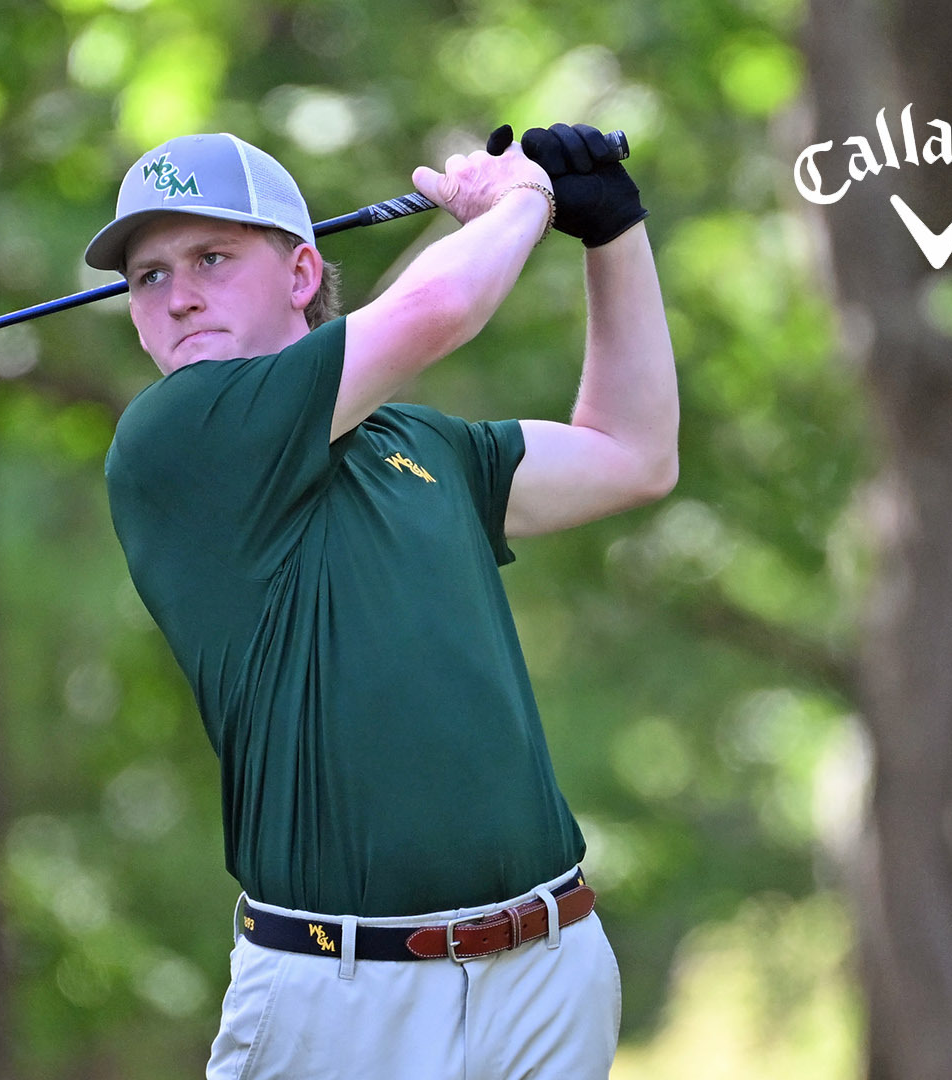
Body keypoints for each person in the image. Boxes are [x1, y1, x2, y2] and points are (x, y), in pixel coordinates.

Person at [89, 125, 677, 1079]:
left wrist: (613, 234)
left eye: (210, 257)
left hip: (548, 968)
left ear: (300, 272)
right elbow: (441, 304)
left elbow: (633, 454)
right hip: (343, 1002)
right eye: (147, 277)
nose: (178, 293)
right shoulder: (175, 439)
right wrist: (526, 197)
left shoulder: (418, 444)